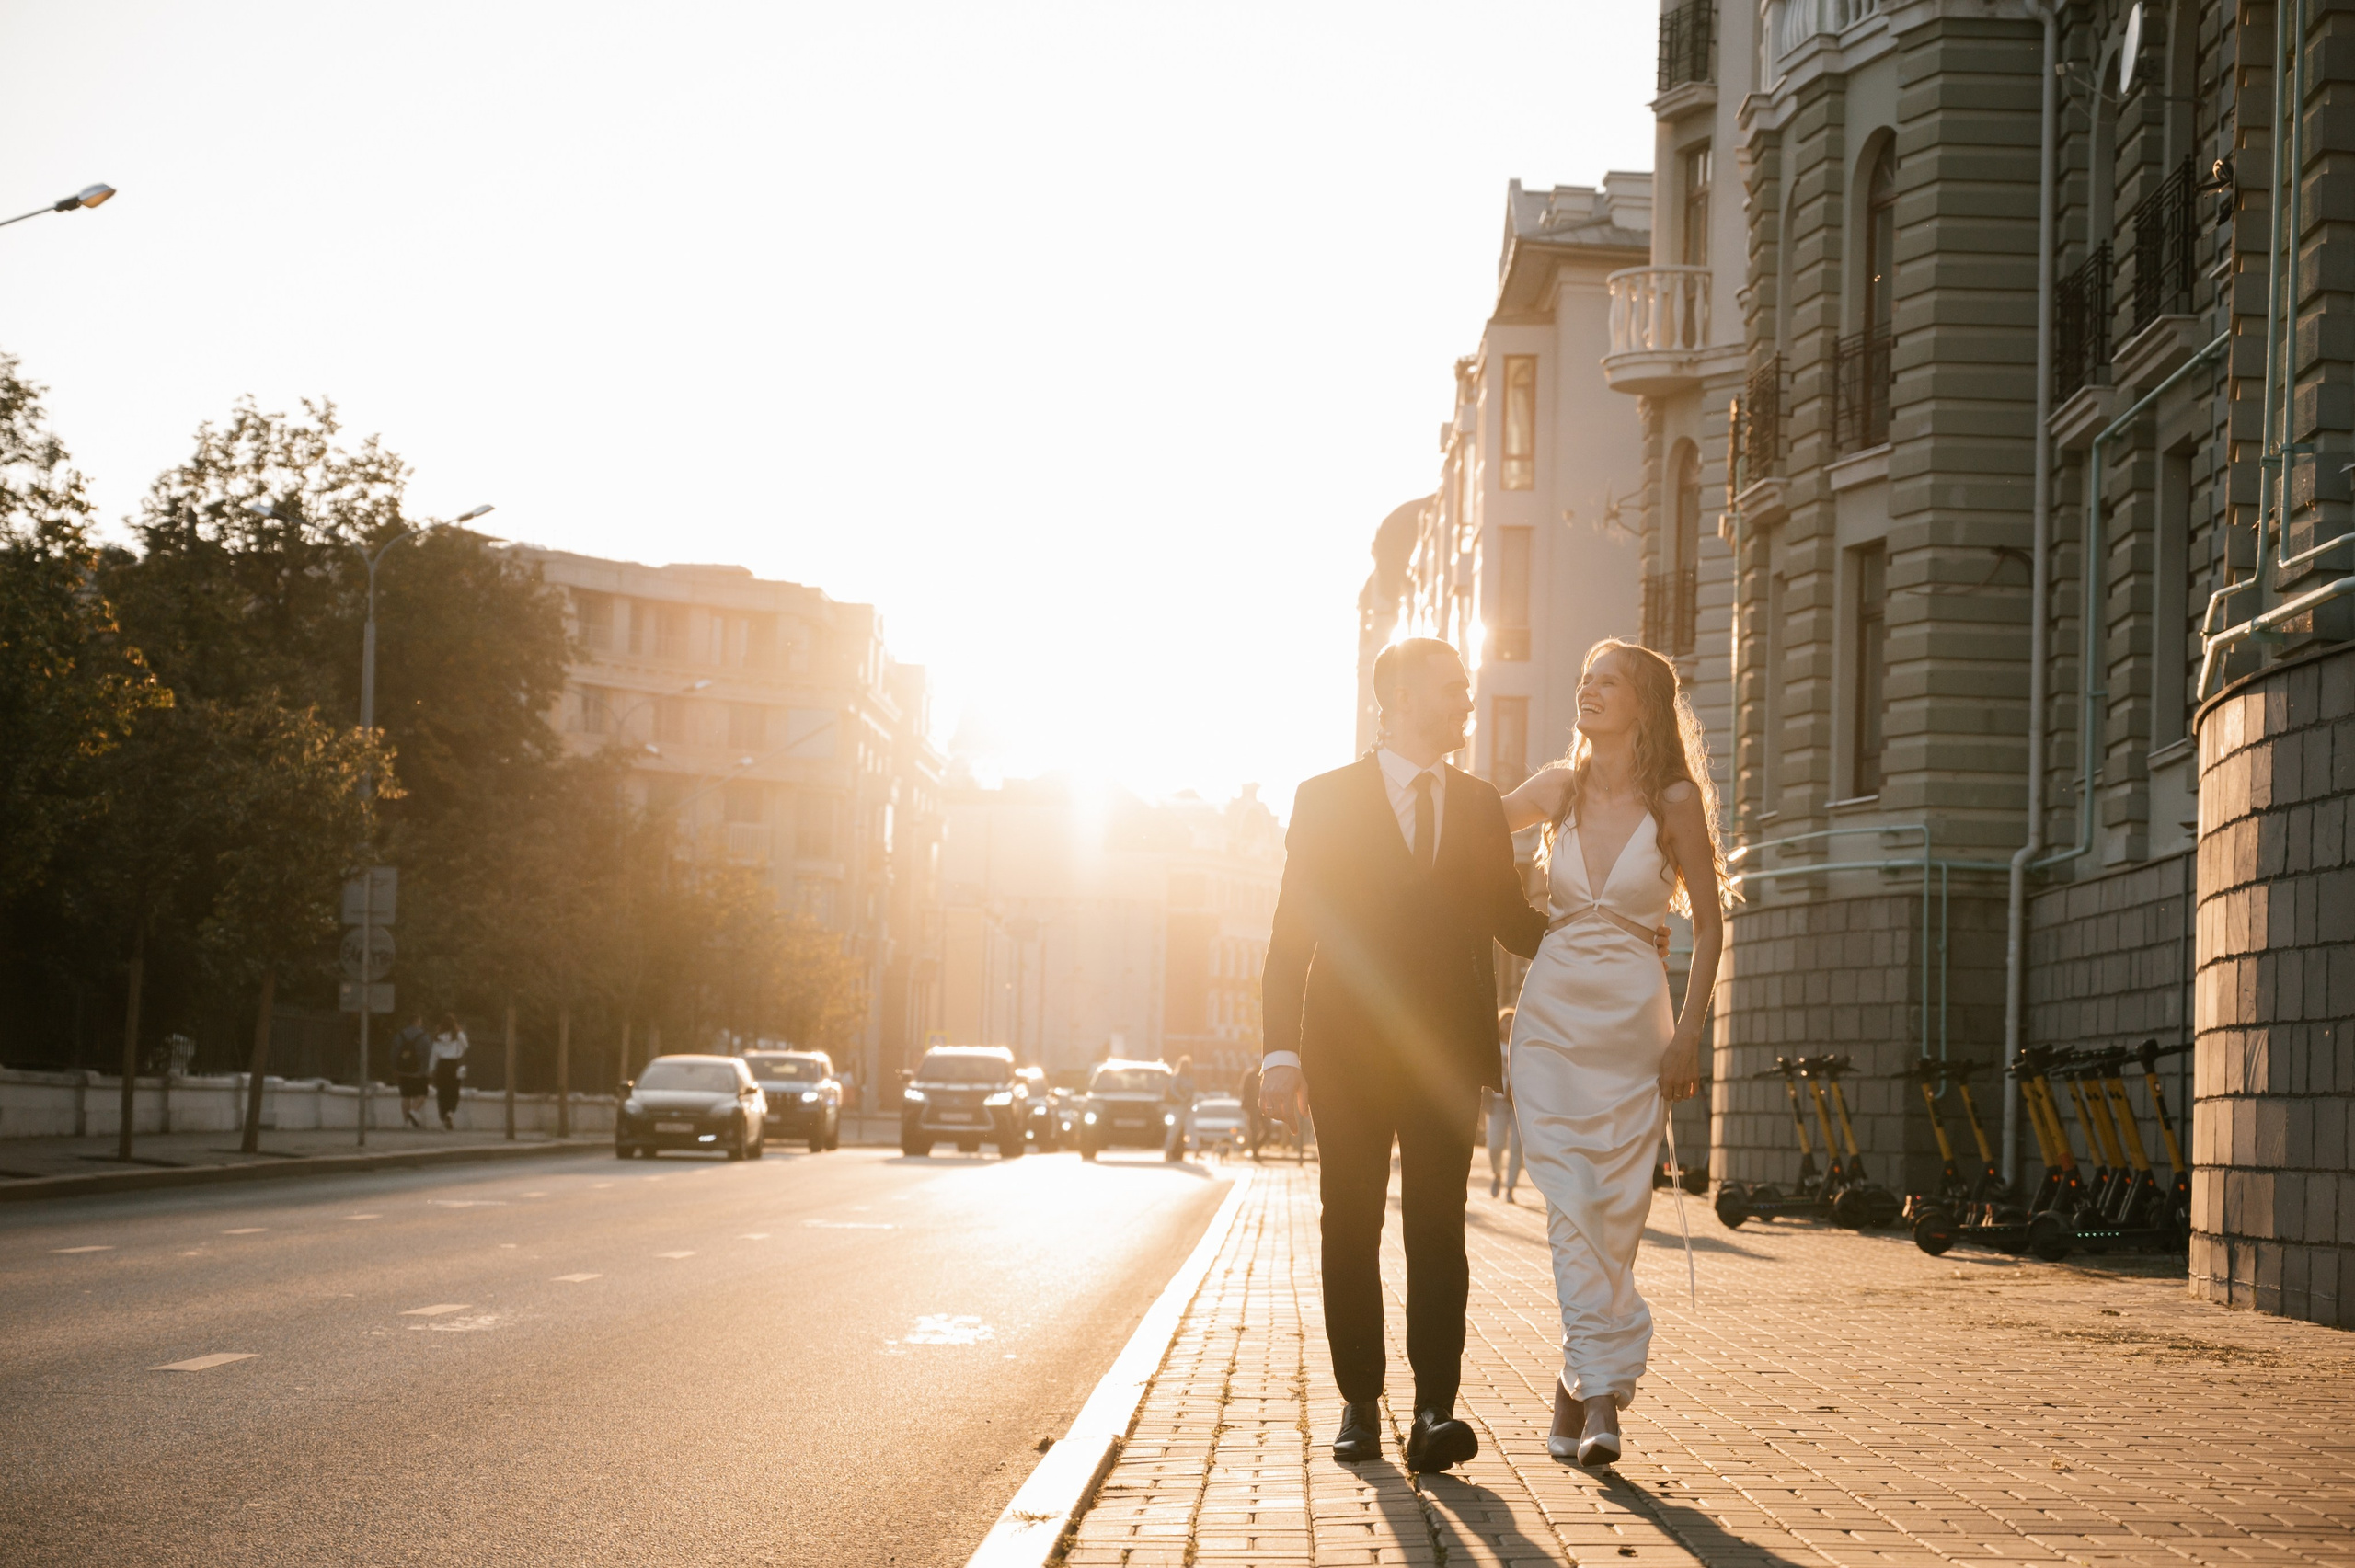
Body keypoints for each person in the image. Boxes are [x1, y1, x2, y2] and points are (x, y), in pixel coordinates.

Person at [1258, 637, 1548, 1474]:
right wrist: (1280, 1051)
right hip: (1344, 1052)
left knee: (1437, 1228)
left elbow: (1512, 921)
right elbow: (1289, 938)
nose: (1468, 700)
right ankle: (1359, 1400)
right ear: (1403, 697)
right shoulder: (1325, 799)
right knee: (1348, 1225)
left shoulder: (1479, 801)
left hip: (1444, 1056)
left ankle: (1433, 1409)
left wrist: (1599, 926)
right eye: (1454, 688)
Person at [1499, 639, 1727, 1468]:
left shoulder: (1673, 801)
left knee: (1614, 1214)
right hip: (1552, 1020)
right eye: (1584, 676)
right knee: (1569, 1203)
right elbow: (1465, 825)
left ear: (1644, 704)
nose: (1588, 689)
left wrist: (1690, 1032)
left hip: (1637, 1026)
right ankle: (1601, 1400)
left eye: (1609, 681)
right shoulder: (1556, 789)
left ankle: (1572, 1387)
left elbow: (1709, 923)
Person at [1485, 1007, 1524, 1202]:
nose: (1509, 1025)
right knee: (1495, 1145)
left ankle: (1510, 1187)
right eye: (1505, 1021)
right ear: (1499, 1024)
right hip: (1496, 1101)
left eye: (1512, 1021)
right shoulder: (1491, 1045)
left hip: (1518, 1103)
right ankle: (1497, 1174)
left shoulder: (1522, 1045)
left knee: (1517, 1147)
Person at [427, 1014, 469, 1131]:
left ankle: (443, 1116)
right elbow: (466, 1045)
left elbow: (434, 1054)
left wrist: (431, 1069)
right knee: (454, 1090)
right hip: (453, 1064)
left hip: (441, 1065)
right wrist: (459, 1052)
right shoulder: (458, 1035)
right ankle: (450, 1113)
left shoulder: (438, 1037)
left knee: (442, 1092)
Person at [391, 1014, 432, 1129]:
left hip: (403, 1070)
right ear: (418, 1021)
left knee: (406, 1095)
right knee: (423, 1093)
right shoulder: (424, 1036)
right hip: (418, 1071)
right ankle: (413, 1111)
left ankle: (406, 1122)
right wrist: (426, 1070)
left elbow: (394, 1052)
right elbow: (428, 1054)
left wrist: (395, 1068)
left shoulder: (400, 1035)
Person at [1163, 1054, 1197, 1161]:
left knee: (1192, 1128)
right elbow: (1173, 1090)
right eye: (1184, 1065)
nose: (1186, 1067)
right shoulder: (1176, 1077)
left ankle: (1196, 1150)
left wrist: (1190, 1099)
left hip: (1188, 1106)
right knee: (1174, 1130)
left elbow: (1193, 1090)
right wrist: (1182, 1098)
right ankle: (1168, 1152)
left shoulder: (1190, 1077)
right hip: (1178, 1106)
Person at [1237, 1063, 1264, 1161]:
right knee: (1254, 1130)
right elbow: (1244, 1090)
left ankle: (1256, 1148)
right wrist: (1248, 1105)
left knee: (1268, 1130)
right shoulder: (1249, 1075)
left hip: (1263, 1106)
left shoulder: (1266, 1073)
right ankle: (1255, 1153)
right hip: (1252, 1107)